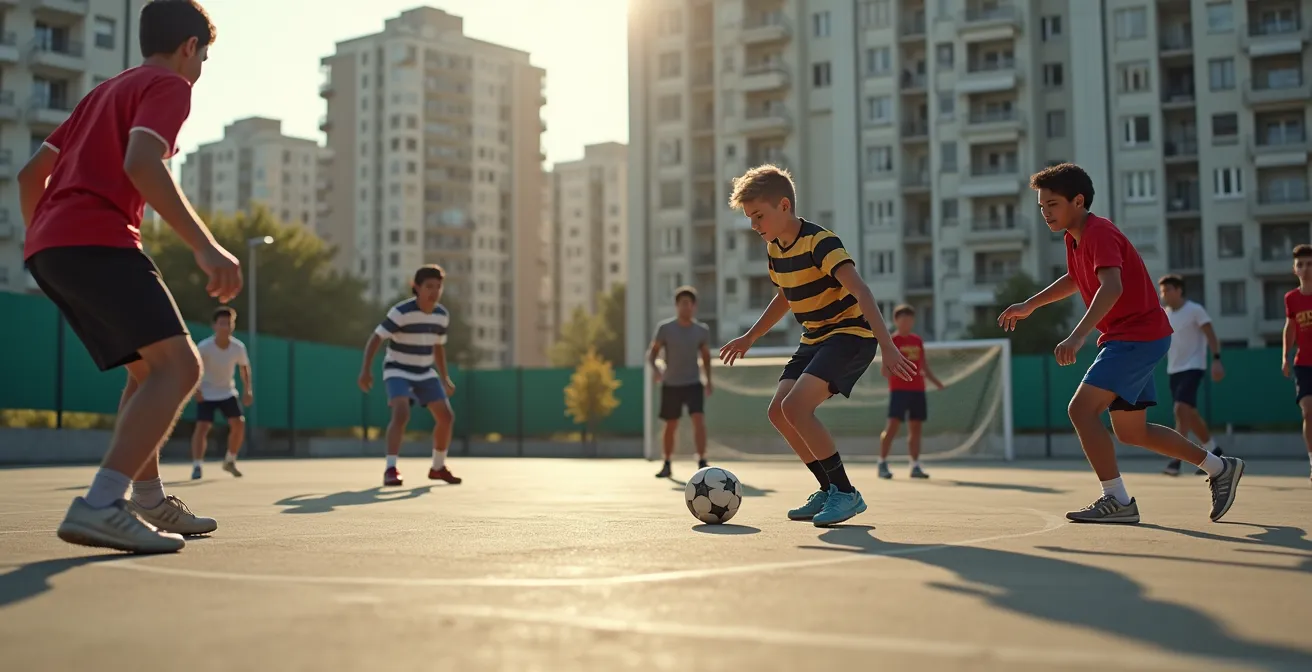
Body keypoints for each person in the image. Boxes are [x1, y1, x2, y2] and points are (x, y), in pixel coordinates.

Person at [19, 0, 230, 553]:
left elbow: (29, 174)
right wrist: (206, 248)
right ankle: (100, 504)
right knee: (182, 366)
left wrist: (44, 236)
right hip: (98, 239)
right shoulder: (169, 85)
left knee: (146, 373)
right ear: (190, 47)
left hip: (50, 246)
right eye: (204, 56)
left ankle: (148, 498)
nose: (201, 67)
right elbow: (142, 162)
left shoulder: (100, 93)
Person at [998, 163, 1243, 524]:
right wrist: (1030, 305)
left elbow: (1112, 287)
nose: (1045, 212)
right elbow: (1075, 278)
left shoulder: (1098, 232)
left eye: (1052, 204)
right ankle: (1219, 467)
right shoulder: (1075, 237)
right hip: (1137, 337)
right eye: (1041, 207)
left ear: (1078, 201)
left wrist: (1079, 335)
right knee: (1132, 431)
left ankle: (1117, 499)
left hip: (1135, 336)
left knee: (1081, 410)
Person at [719, 164, 916, 527]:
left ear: (783, 206)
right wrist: (750, 337)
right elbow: (784, 296)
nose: (754, 225)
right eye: (749, 218)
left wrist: (887, 345)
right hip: (815, 338)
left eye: (758, 215)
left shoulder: (820, 241)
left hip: (850, 335)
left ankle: (846, 493)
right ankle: (828, 489)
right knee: (778, 411)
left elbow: (862, 290)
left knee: (796, 406)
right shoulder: (776, 249)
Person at [359, 265, 461, 487]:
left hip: (425, 371)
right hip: (398, 369)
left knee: (446, 417)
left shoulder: (441, 315)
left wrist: (444, 377)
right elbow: (376, 338)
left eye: (438, 286)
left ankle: (438, 467)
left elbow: (438, 347)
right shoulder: (401, 312)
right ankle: (391, 468)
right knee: (402, 413)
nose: (434, 291)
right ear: (416, 287)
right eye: (429, 286)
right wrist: (365, 370)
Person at [1157, 275, 1225, 476]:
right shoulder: (1164, 314)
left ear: (1179, 290)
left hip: (1194, 367)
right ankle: (1214, 450)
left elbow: (1210, 334)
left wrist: (1217, 359)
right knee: (1190, 414)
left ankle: (1176, 459)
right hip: (1174, 369)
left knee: (1180, 409)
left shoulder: (1195, 310)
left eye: (1168, 289)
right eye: (1162, 291)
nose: (1164, 294)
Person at [648, 285, 713, 478]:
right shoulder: (665, 328)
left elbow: (706, 357)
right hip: (671, 384)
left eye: (691, 303)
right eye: (683, 303)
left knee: (698, 420)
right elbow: (652, 353)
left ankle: (702, 460)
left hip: (693, 382)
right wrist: (657, 369)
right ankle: (667, 463)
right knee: (671, 424)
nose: (687, 307)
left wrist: (708, 381)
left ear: (695, 306)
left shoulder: (702, 330)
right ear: (677, 306)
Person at [878, 305, 943, 480]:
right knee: (892, 426)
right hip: (899, 391)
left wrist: (936, 382)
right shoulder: (892, 342)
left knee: (916, 428)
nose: (906, 323)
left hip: (917, 390)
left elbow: (923, 365)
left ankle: (915, 465)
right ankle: (882, 462)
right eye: (903, 319)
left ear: (913, 321)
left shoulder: (917, 341)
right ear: (896, 321)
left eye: (909, 319)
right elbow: (885, 370)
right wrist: (896, 375)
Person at [190, 306, 253, 479]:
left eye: (229, 323)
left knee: (239, 423)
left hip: (227, 392)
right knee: (202, 427)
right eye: (222, 323)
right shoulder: (204, 346)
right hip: (207, 393)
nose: (225, 327)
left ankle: (230, 460)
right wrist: (197, 389)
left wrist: (248, 390)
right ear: (214, 326)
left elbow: (244, 368)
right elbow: (195, 368)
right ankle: (197, 465)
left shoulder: (238, 347)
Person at [1282, 243, 1312, 485]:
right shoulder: (1291, 298)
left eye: (1310, 264)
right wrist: (1285, 356)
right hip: (1304, 363)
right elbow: (1290, 326)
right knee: (1308, 411)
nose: (1306, 268)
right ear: (1294, 269)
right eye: (1301, 264)